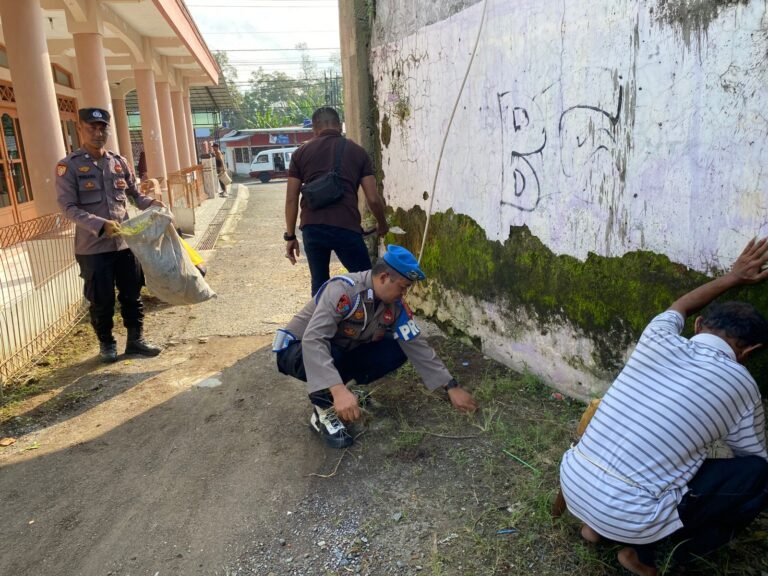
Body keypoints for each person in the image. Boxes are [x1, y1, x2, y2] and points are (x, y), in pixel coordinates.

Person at [559, 237, 768, 575]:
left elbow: (681, 305)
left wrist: (733, 277)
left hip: (573, 480)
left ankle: (594, 528)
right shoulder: (743, 384)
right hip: (631, 515)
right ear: (749, 352)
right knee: (757, 475)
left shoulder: (658, 336)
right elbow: (750, 457)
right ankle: (651, 554)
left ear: (698, 326)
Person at [275, 244, 478, 448]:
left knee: (395, 350)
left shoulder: (394, 306)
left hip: (337, 349)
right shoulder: (344, 291)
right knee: (330, 351)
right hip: (296, 350)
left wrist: (451, 386)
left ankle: (344, 391)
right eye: (403, 286)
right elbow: (314, 339)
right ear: (383, 278)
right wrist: (337, 390)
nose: (404, 293)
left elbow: (416, 344)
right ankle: (323, 411)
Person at [56, 108, 164, 363]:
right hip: (93, 248)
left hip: (125, 244)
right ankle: (106, 343)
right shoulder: (68, 166)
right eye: (91, 127)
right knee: (101, 300)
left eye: (102, 127)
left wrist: (151, 204)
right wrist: (100, 224)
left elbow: (134, 195)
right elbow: (67, 207)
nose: (97, 132)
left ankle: (136, 341)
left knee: (132, 293)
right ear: (80, 128)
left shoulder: (119, 162)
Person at [284, 106, 389, 295]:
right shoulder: (358, 152)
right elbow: (373, 199)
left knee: (319, 283)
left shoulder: (300, 153)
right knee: (366, 281)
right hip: (346, 226)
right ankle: (369, 322)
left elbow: (291, 199)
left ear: (315, 129)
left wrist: (290, 236)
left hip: (312, 226)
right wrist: (382, 224)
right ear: (339, 126)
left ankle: (321, 323)